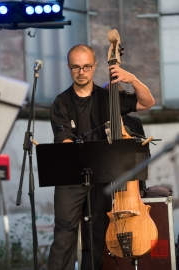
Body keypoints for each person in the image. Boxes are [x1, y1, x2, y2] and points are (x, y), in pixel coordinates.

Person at [48, 44, 155, 270]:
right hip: (72, 178)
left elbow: (147, 102)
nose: (81, 72)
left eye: (87, 66)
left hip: (103, 176)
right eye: (76, 67)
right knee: (64, 233)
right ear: (69, 68)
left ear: (95, 66)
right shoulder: (61, 102)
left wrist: (132, 79)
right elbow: (64, 139)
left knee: (97, 236)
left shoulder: (109, 97)